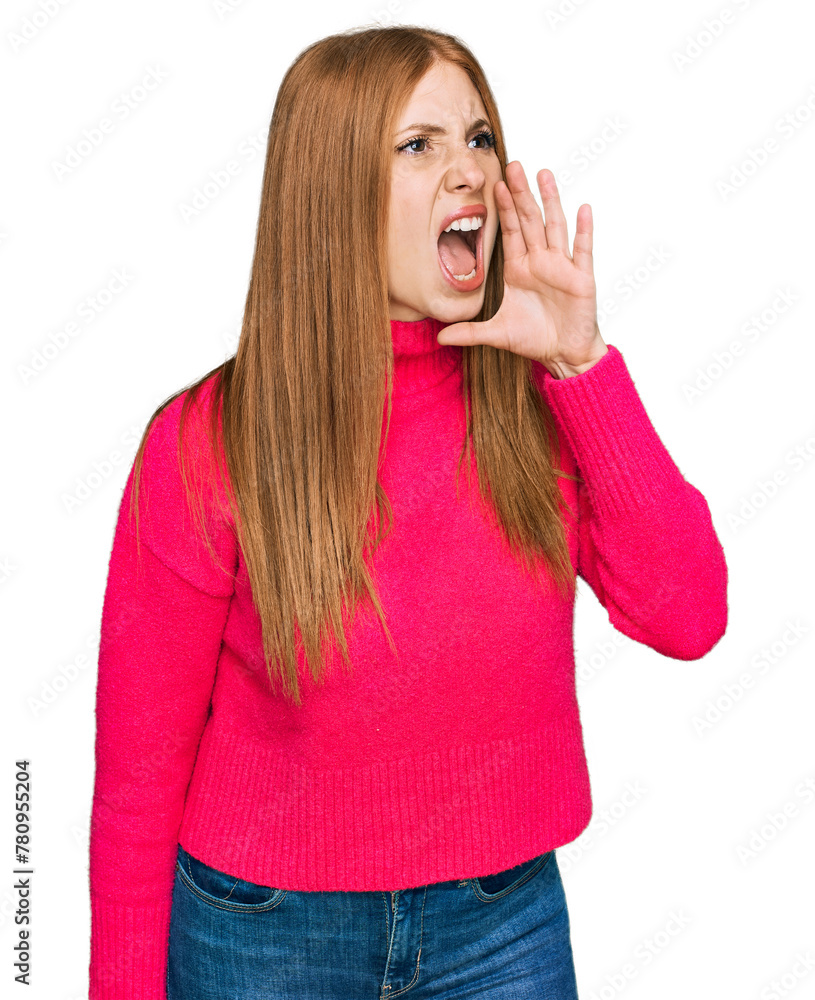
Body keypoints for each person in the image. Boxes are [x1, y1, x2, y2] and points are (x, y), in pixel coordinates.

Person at [87, 24, 729, 1000]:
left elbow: (689, 617)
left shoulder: (535, 403)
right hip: (263, 936)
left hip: (500, 922)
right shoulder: (204, 442)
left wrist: (578, 365)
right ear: (332, 192)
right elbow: (134, 790)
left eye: (476, 136)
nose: (467, 170)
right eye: (417, 144)